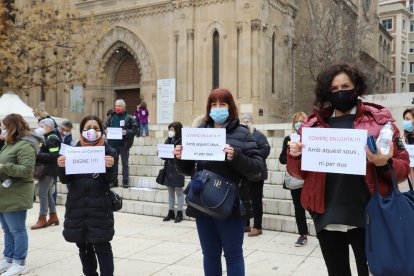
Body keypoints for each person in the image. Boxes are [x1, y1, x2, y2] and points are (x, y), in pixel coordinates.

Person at [287, 63, 410, 276]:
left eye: (345, 86)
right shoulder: (313, 125)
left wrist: (383, 164)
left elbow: (403, 167)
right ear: (326, 92)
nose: (340, 92)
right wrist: (294, 155)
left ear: (356, 88)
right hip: (327, 217)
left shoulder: (380, 121)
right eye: (334, 89)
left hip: (369, 217)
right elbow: (298, 173)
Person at [174, 88, 263, 276]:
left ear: (230, 107)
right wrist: (180, 157)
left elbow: (257, 169)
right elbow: (187, 169)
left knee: (233, 256)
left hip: (230, 207)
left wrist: (236, 156)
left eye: (222, 104)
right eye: (213, 104)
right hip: (202, 205)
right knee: (210, 255)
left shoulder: (243, 134)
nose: (217, 108)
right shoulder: (199, 132)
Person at [57, 115, 117, 276]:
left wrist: (109, 167)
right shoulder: (73, 151)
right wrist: (61, 166)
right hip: (77, 207)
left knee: (102, 246)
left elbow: (111, 180)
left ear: (101, 131)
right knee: (83, 246)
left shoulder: (109, 152)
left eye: (96, 128)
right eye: (88, 128)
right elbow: (64, 179)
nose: (92, 131)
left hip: (99, 208)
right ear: (82, 130)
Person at [0, 114, 39, 276]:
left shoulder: (25, 145)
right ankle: (8, 258)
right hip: (4, 193)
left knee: (17, 230)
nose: (2, 130)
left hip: (16, 194)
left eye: (4, 127)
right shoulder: (9, 144)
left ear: (12, 127)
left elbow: (27, 170)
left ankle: (19, 262)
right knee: (7, 230)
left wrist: (3, 166)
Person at [279, 111, 309, 246]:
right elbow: (282, 159)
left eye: (301, 120)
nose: (299, 123)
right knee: (298, 207)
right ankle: (303, 234)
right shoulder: (288, 139)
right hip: (295, 178)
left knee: (314, 207)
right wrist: (291, 153)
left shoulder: (311, 138)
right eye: (296, 121)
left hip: (309, 178)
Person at [240, 114, 270, 237]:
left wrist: (253, 158)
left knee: (256, 201)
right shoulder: (240, 135)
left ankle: (257, 226)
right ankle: (246, 224)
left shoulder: (259, 135)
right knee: (244, 199)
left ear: (252, 122)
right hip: (243, 174)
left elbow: (265, 149)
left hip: (257, 174)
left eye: (248, 121)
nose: (246, 122)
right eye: (243, 121)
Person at [31, 118, 61, 230]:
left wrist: (38, 154)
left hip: (48, 170)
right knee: (47, 193)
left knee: (42, 193)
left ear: (49, 127)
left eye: (42, 126)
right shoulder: (47, 137)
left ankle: (42, 218)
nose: (40, 128)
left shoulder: (53, 138)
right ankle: (53, 216)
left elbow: (54, 156)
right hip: (47, 169)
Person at [105, 99, 138, 188]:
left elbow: (135, 130)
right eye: (116, 105)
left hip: (124, 144)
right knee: (114, 163)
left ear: (123, 107)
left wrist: (126, 132)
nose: (117, 107)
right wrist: (105, 130)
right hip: (112, 144)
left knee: (125, 163)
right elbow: (105, 126)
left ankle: (125, 181)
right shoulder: (111, 117)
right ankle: (114, 181)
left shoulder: (129, 117)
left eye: (119, 106)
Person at [159, 122, 185, 223]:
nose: (171, 132)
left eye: (173, 130)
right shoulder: (168, 140)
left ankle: (179, 213)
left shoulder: (182, 141)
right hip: (168, 169)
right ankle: (170, 212)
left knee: (179, 192)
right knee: (170, 193)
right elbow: (164, 156)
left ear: (177, 130)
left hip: (178, 169)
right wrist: (160, 152)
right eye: (170, 129)